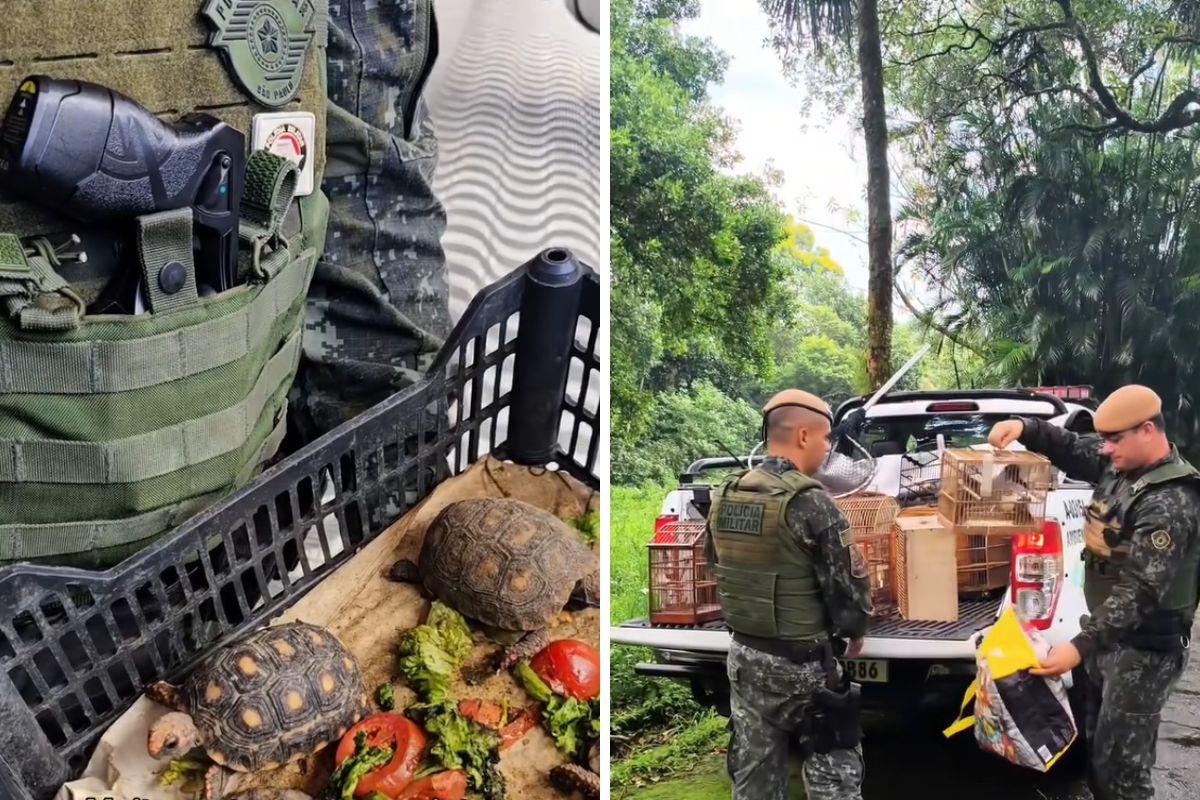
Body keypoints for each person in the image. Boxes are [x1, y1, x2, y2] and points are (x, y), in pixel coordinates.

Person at [988, 384, 1200, 800]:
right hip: (1109, 643)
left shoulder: (1171, 500)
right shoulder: (1121, 468)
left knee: (1123, 771)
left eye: (1115, 439)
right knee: (1098, 758)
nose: (1105, 448)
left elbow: (1141, 590)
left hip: (1144, 650)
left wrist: (1079, 645)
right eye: (1104, 439)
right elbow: (1070, 446)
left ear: (1147, 430)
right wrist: (1024, 427)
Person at [706, 389, 872, 800]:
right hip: (805, 667)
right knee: (835, 776)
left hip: (745, 658)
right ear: (802, 435)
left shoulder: (724, 493)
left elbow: (716, 563)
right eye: (826, 438)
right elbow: (845, 587)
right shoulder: (812, 503)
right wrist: (855, 630)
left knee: (754, 777)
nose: (828, 447)